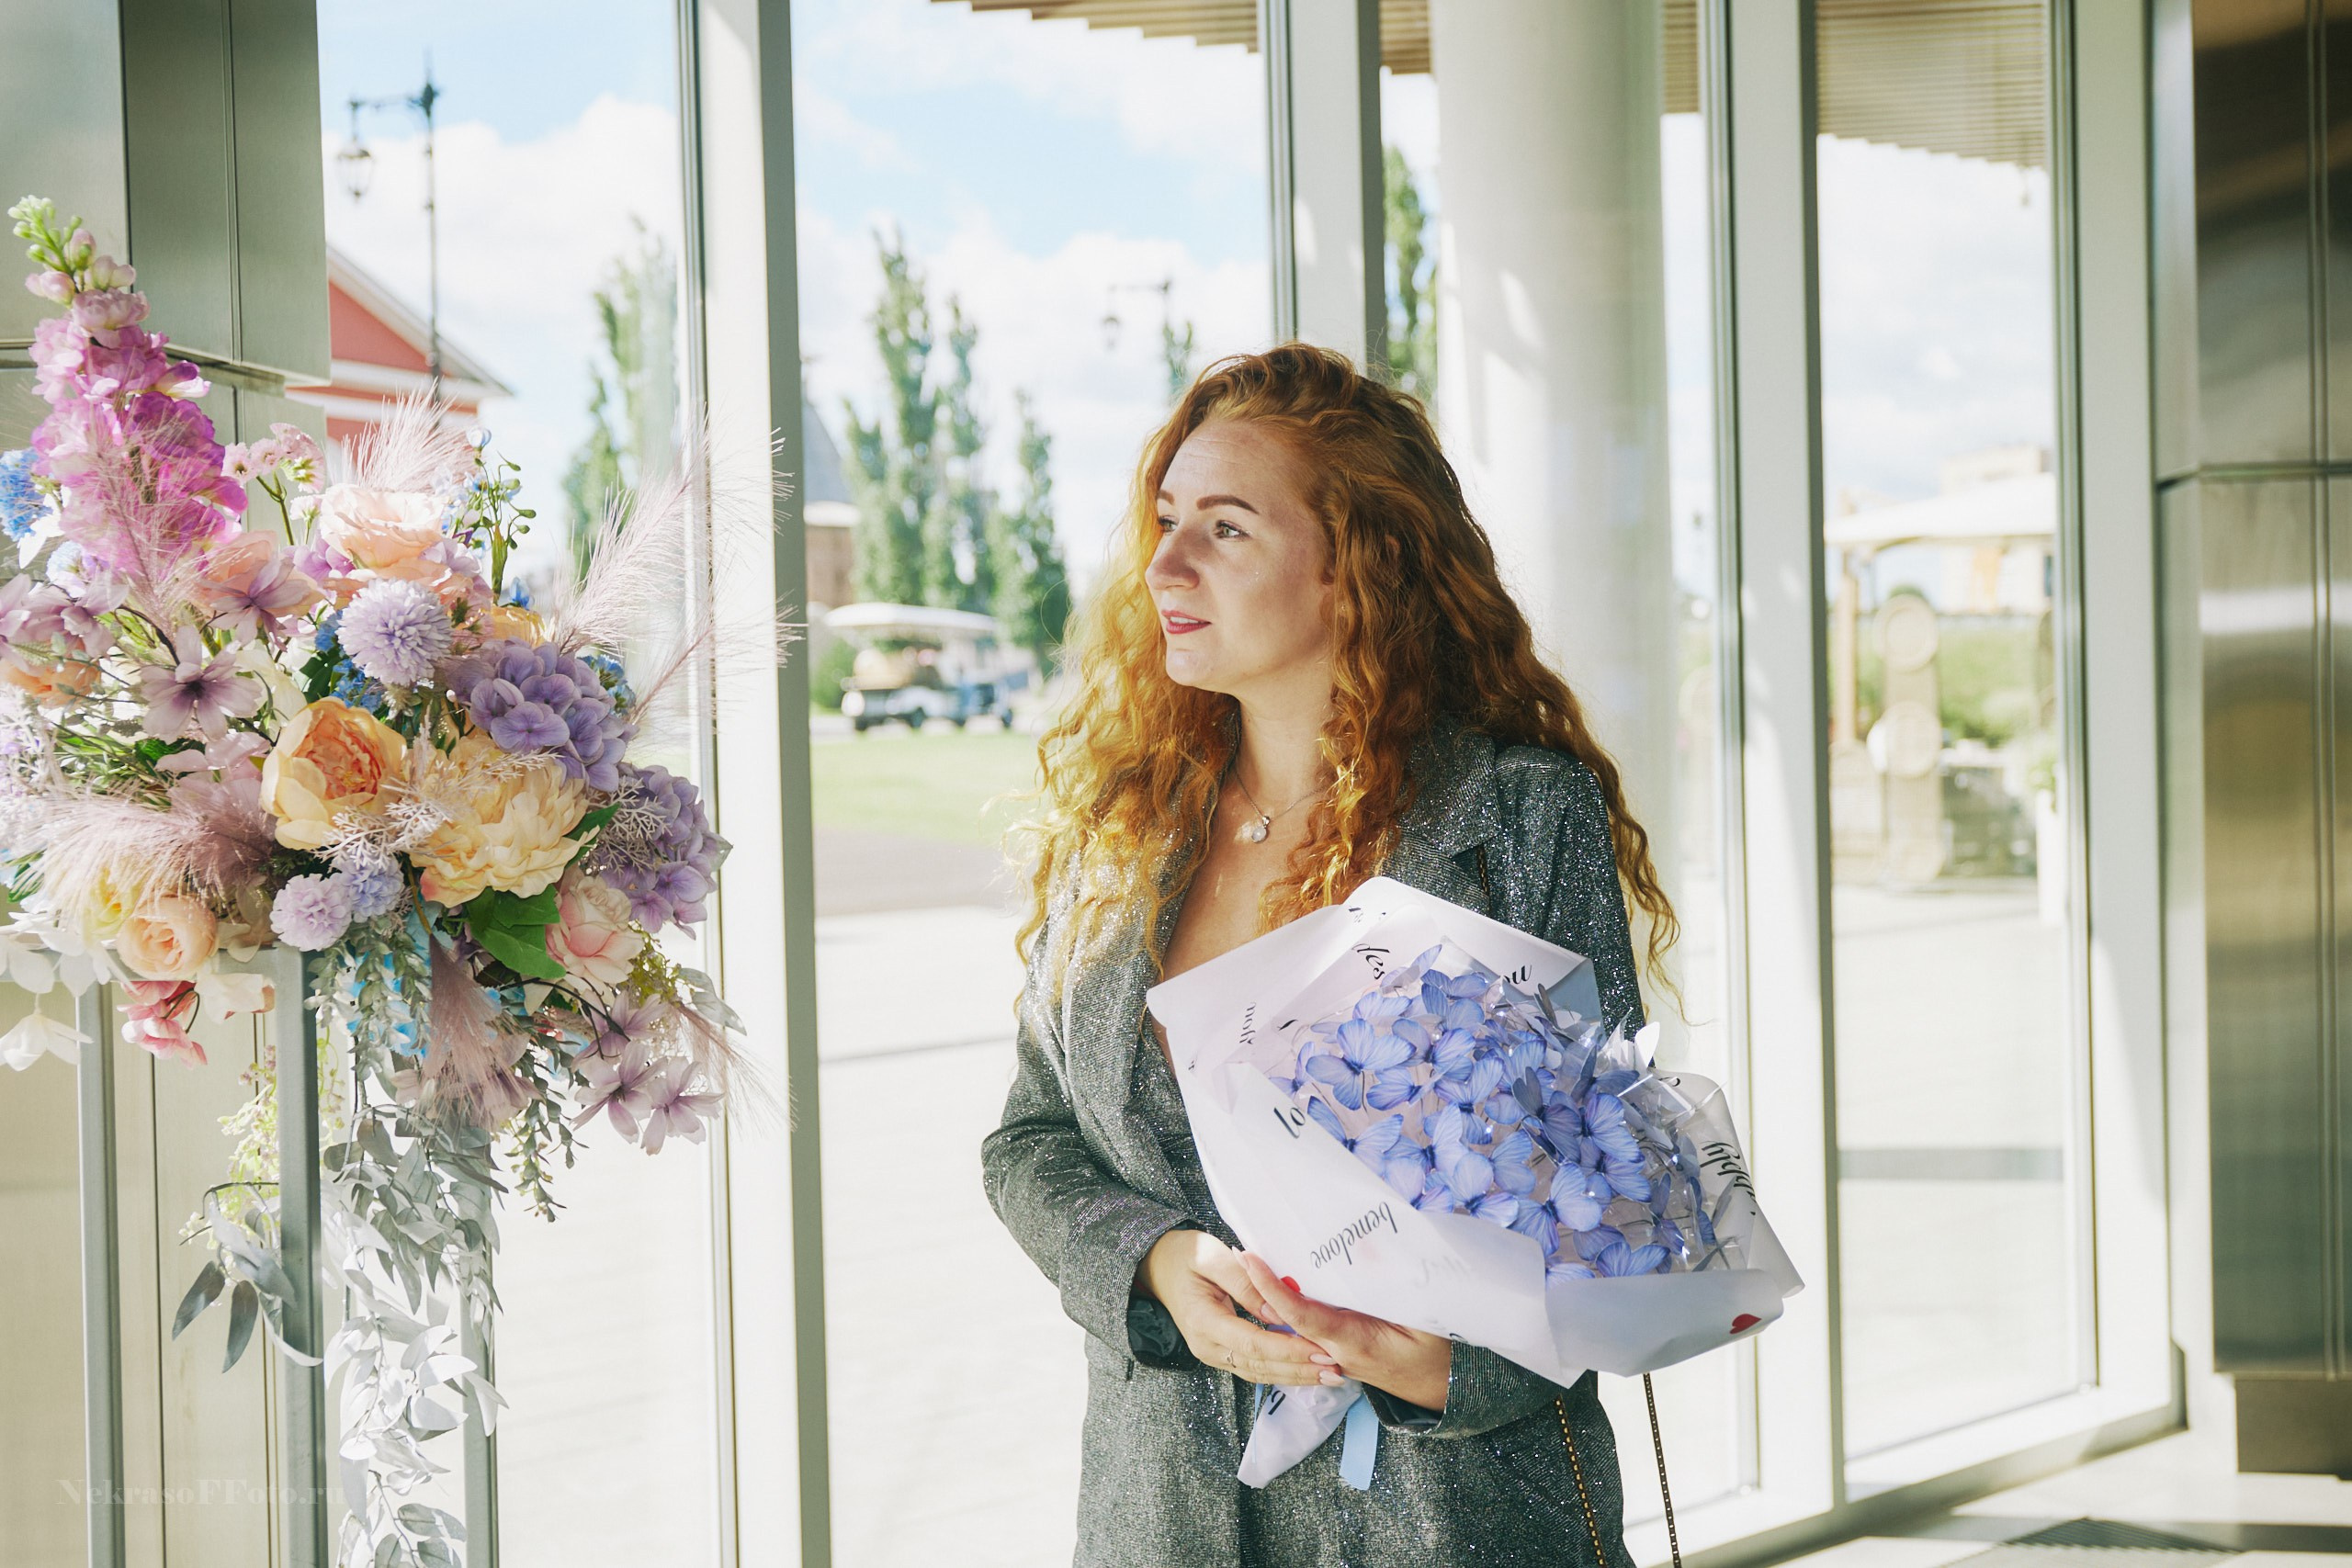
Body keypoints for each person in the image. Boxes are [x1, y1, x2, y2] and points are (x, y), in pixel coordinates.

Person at [983, 343, 1678, 1566]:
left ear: (1355, 564)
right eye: (1166, 519)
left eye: (1228, 528)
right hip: (1166, 1526)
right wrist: (1155, 1261)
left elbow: (1612, 1200)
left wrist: (1460, 1368)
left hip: (1446, 1522)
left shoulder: (1514, 818)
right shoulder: (1126, 830)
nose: (1167, 563)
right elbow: (1030, 1142)